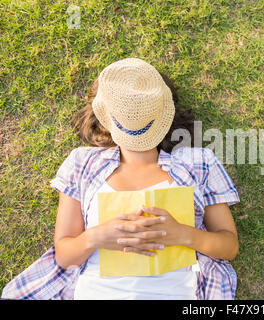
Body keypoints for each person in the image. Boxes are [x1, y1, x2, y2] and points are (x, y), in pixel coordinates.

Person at [1, 58, 240, 300]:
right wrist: (96, 237)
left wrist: (182, 234)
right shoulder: (82, 163)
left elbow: (229, 247)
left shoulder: (198, 163)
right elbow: (64, 256)